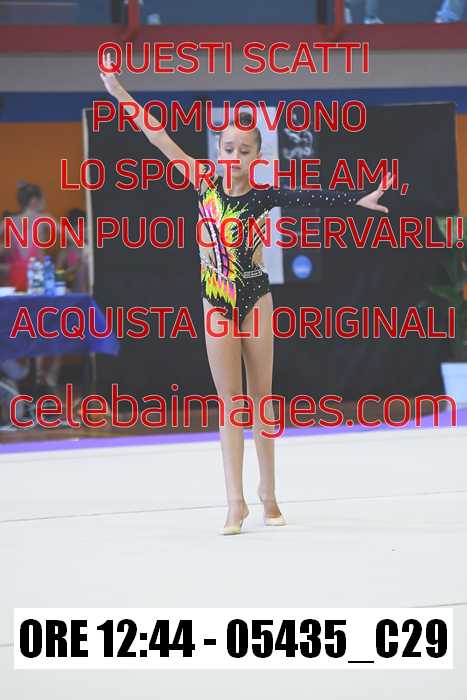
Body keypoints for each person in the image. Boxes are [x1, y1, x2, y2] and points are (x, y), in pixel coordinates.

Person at [99, 52, 394, 535]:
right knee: (230, 401)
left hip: (255, 298)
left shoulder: (262, 195)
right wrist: (118, 92)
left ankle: (268, 493)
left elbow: (312, 199)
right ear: (218, 150)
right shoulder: (203, 181)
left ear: (257, 156)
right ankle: (235, 501)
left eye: (243, 150)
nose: (233, 157)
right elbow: (158, 136)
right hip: (215, 302)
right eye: (227, 147)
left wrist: (357, 198)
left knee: (263, 398)